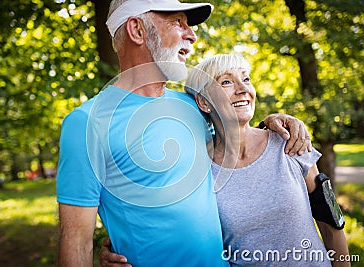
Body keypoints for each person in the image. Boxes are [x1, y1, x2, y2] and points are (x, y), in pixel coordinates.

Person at [57, 1, 312, 266]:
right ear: (137, 30)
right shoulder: (86, 124)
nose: (191, 34)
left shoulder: (193, 106)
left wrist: (274, 122)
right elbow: (76, 242)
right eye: (178, 22)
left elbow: (238, 133)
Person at [98, 53, 350, 266]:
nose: (243, 89)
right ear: (203, 102)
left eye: (246, 79)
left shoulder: (289, 142)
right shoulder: (196, 168)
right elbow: (163, 223)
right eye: (226, 82)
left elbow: (331, 223)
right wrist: (118, 247)